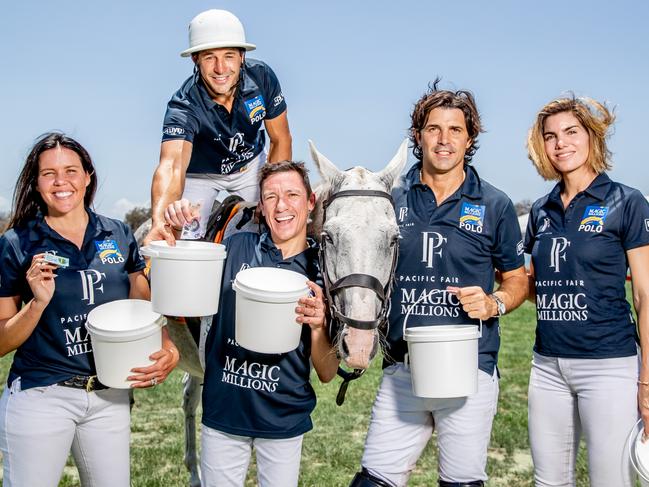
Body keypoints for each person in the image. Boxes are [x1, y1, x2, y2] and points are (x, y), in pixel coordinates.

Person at [350, 80, 528, 487]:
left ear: (470, 139)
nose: (444, 140)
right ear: (418, 136)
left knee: (461, 483)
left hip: (468, 368)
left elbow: (516, 278)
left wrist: (494, 302)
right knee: (372, 480)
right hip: (403, 367)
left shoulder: (494, 203)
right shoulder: (390, 198)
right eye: (434, 129)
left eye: (455, 130)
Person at [0, 132, 179, 487]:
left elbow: (143, 307)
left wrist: (168, 346)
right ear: (36, 184)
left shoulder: (119, 234)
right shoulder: (16, 243)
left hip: (108, 395)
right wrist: (37, 303)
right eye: (48, 173)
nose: (61, 181)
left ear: (88, 177)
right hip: (42, 395)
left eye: (70, 170)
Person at [164, 161, 339, 487]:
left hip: (283, 420)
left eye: (292, 194)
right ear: (260, 204)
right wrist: (176, 229)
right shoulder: (233, 247)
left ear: (311, 201)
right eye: (271, 196)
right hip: (223, 415)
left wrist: (317, 326)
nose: (282, 205)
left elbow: (328, 373)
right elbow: (180, 286)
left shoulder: (323, 271)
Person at [524, 97, 649, 486]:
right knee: (549, 482)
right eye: (551, 136)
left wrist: (647, 380)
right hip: (547, 366)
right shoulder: (541, 210)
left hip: (608, 365)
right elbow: (534, 286)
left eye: (571, 132)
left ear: (592, 138)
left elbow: (644, 296)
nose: (561, 143)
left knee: (610, 481)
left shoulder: (626, 202)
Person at [148, 9, 292, 244]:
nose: (220, 68)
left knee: (274, 226)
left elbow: (281, 139)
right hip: (200, 175)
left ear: (242, 56)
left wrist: (271, 194)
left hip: (251, 167)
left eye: (228, 56)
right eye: (209, 57)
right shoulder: (183, 105)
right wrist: (158, 221)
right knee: (184, 240)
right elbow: (172, 166)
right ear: (196, 59)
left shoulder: (263, 77)